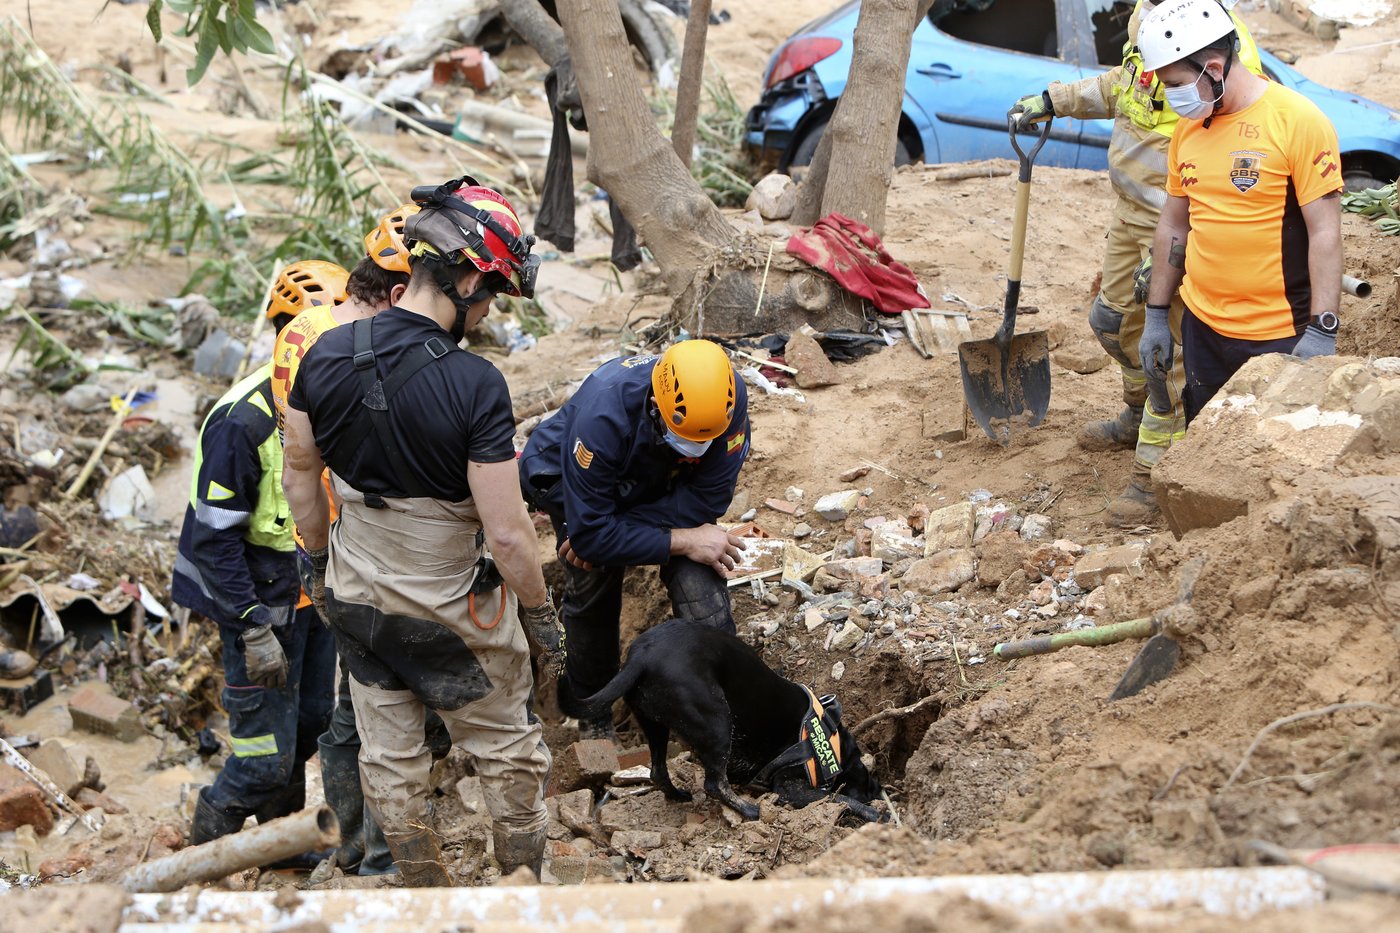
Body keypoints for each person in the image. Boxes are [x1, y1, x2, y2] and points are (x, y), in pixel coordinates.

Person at [282, 176, 563, 886]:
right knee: (506, 746)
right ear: (467, 276)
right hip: (451, 611)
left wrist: (317, 567)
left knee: (391, 758)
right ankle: (523, 885)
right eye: (493, 290)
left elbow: (299, 480)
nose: (490, 307)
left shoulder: (322, 358)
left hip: (361, 600)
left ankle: (422, 892)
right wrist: (539, 612)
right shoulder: (475, 385)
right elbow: (505, 534)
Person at [1008, 0, 1261, 525]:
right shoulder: (1149, 20)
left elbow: (1233, 156)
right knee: (1109, 320)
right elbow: (1123, 87)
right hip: (1132, 215)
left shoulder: (1214, 45)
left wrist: (1181, 249)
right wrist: (1054, 99)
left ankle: (1153, 477)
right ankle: (1134, 412)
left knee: (1162, 350)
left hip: (1177, 226)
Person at [173, 260, 347, 853]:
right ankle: (194, 874)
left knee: (308, 729)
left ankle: (285, 862)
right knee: (260, 763)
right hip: (252, 599)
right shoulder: (242, 421)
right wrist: (250, 629)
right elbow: (214, 539)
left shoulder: (330, 401)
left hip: (306, 592)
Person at [269, 205, 417, 878]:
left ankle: (360, 841)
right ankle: (373, 850)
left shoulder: (313, 334)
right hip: (351, 543)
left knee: (357, 697)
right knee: (369, 701)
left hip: (338, 541)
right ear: (396, 294)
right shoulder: (327, 342)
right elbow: (311, 461)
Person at [518, 339, 751, 740]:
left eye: (705, 440)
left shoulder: (727, 401)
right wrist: (603, 536)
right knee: (591, 576)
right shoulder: (604, 414)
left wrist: (620, 532)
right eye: (686, 436)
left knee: (701, 569)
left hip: (660, 485)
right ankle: (590, 709)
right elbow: (590, 534)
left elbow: (710, 497)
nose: (698, 448)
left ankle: (725, 711)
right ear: (657, 405)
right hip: (568, 478)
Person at [1137, 0, 1343, 422]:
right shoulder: (1188, 131)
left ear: (1213, 68)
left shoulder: (1298, 121)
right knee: (1207, 452)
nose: (1172, 98)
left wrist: (1323, 330)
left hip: (1277, 336)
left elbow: (1325, 232)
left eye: (1176, 84)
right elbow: (1175, 225)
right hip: (1203, 330)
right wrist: (1157, 316)